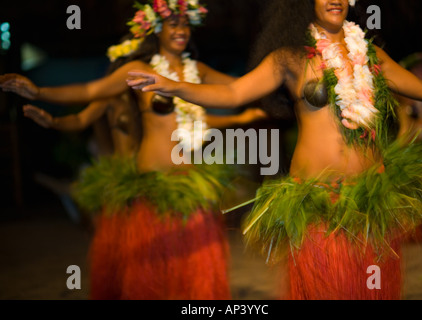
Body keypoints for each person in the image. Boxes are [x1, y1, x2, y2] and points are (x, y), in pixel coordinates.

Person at [126, 0, 422, 299]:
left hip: (369, 200)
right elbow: (235, 93)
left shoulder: (370, 54)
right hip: (316, 200)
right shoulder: (290, 58)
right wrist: (175, 86)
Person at [0, 0, 265, 300]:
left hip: (192, 185)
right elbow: (91, 91)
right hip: (151, 182)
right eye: (172, 24)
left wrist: (276, 84)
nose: (181, 30)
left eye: (185, 24)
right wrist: (40, 92)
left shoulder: (197, 71)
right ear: (156, 29)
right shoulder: (140, 69)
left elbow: (244, 87)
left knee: (192, 275)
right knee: (151, 277)